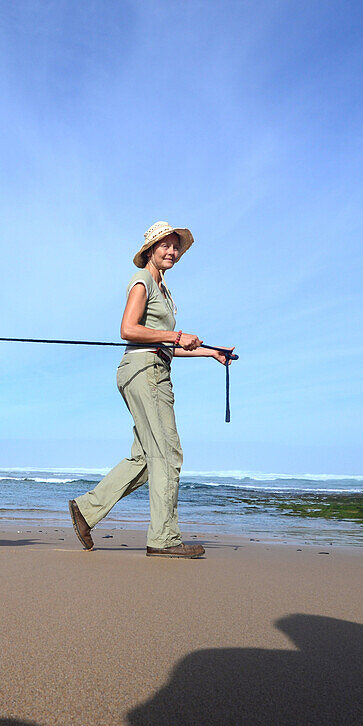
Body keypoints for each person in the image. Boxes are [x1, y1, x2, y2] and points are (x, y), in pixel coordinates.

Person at [68, 221, 231, 558]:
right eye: (165, 246)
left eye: (175, 246)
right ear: (150, 250)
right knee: (168, 455)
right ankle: (164, 539)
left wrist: (210, 352)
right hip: (146, 372)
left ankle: (87, 510)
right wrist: (175, 336)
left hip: (147, 367)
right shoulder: (142, 282)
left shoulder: (161, 286)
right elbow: (128, 329)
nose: (171, 251)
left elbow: (168, 344)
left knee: (145, 458)